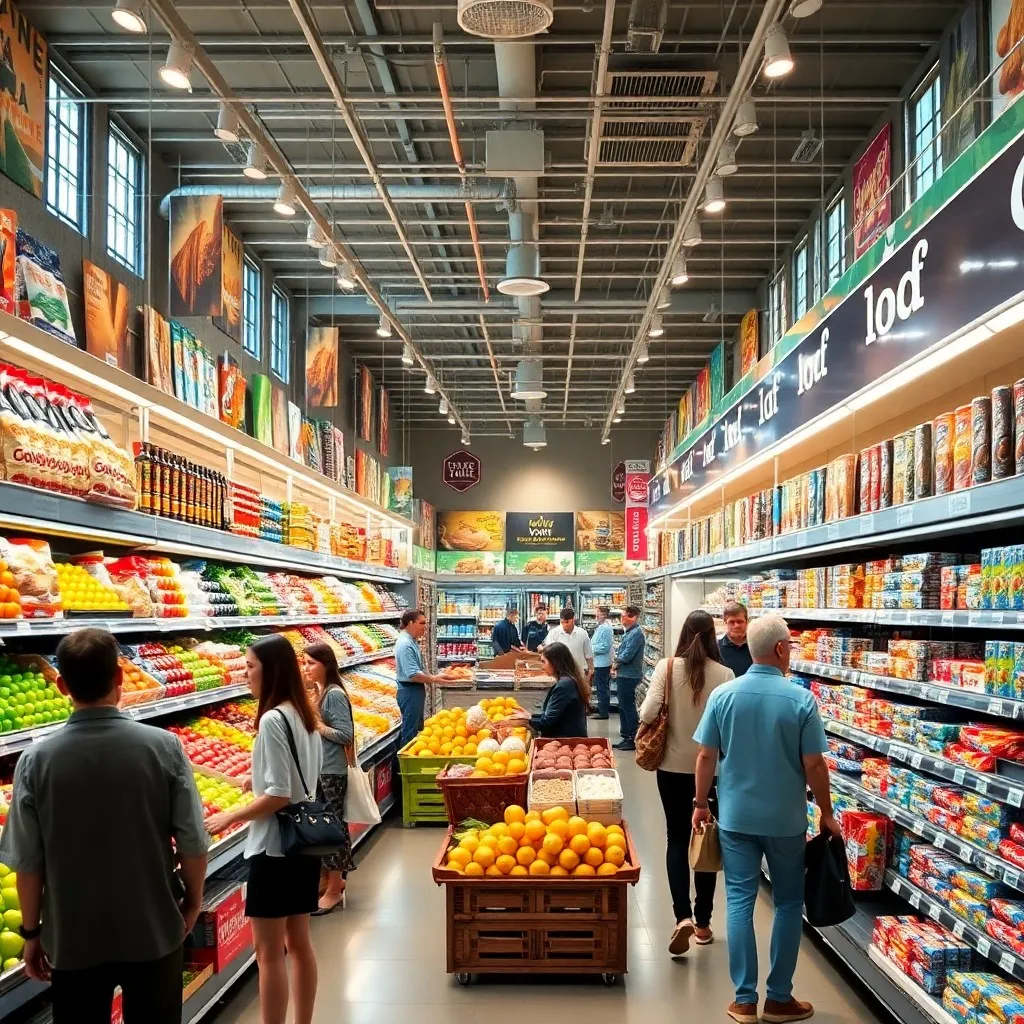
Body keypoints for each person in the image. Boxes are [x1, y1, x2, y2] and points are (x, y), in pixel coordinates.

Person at [0, 627, 208, 1024]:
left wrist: (31, 934)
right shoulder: (164, 747)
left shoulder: (35, 761)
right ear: (119, 678)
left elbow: (28, 863)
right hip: (154, 928)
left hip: (73, 938)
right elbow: (193, 841)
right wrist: (193, 901)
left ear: (61, 685)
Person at [692, 614, 841, 1024]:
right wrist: (827, 814)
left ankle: (743, 1000)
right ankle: (778, 999)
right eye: (790, 645)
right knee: (789, 904)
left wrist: (701, 803)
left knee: (739, 901)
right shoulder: (800, 700)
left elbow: (706, 756)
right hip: (785, 821)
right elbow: (814, 765)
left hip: (737, 818)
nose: (790, 651)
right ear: (779, 649)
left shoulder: (724, 695)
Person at [204, 634, 324, 1024]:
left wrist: (230, 817)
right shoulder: (304, 715)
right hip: (303, 846)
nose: (245, 673)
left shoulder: (272, 719)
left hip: (274, 849)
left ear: (270, 671)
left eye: (250, 666)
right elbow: (299, 778)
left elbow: (279, 795)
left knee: (268, 953)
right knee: (300, 945)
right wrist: (253, 779)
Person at [639, 610, 734, 956]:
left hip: (671, 768)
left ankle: (682, 917)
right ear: (713, 635)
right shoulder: (725, 675)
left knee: (676, 837)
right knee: (706, 839)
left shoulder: (666, 668)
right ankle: (704, 924)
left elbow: (647, 714)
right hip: (710, 773)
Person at [302, 643, 355, 916]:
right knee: (325, 829)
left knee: (332, 830)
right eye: (304, 662)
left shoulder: (333, 695)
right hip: (322, 770)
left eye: (311, 663)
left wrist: (320, 727)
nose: (306, 668)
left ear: (326, 664)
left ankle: (334, 889)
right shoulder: (321, 691)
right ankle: (331, 881)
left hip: (332, 771)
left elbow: (345, 735)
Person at [510, 642, 588, 737]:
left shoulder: (564, 685)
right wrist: (530, 716)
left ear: (555, 662)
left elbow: (546, 723)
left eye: (544, 662)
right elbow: (554, 716)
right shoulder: (570, 680)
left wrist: (527, 720)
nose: (542, 667)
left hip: (564, 741)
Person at [394, 609, 446, 747]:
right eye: (422, 623)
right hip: (410, 690)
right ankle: (404, 766)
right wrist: (435, 679)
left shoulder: (411, 641)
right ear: (410, 623)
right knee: (410, 731)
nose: (425, 626)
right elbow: (413, 674)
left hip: (413, 690)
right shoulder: (405, 644)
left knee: (413, 727)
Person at [613, 605, 645, 751]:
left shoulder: (636, 633)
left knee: (628, 707)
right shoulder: (630, 632)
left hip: (630, 675)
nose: (622, 618)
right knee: (623, 706)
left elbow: (627, 655)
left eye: (624, 615)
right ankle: (626, 735)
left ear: (632, 617)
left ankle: (632, 738)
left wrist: (615, 664)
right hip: (624, 674)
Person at [541, 606, 594, 682]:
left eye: (567, 622)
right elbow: (548, 655)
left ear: (573, 620)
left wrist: (590, 672)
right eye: (562, 622)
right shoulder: (554, 633)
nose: (564, 625)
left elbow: (589, 655)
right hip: (560, 676)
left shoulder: (582, 633)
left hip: (580, 674)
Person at [590, 606, 614, 719]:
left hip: (602, 663)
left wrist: (590, 648)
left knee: (602, 688)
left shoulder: (605, 628)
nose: (596, 615)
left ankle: (603, 712)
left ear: (603, 614)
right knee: (601, 687)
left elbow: (604, 647)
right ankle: (602, 709)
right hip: (600, 663)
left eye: (597, 613)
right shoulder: (602, 627)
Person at [718, 601, 753, 678]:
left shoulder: (756, 646)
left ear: (747, 622)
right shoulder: (716, 649)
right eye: (731, 622)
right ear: (725, 623)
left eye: (740, 621)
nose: (736, 625)